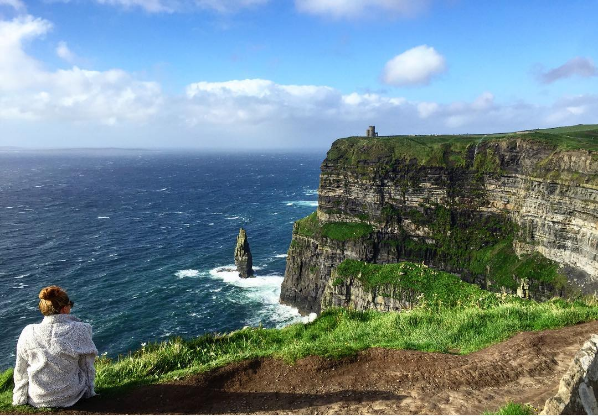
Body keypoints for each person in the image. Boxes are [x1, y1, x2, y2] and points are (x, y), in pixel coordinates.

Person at [13, 285, 98, 407]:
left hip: (38, 397)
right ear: (64, 309)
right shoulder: (80, 329)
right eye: (70, 304)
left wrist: (19, 399)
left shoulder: (28, 332)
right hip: (71, 394)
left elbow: (21, 369)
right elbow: (86, 366)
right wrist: (89, 393)